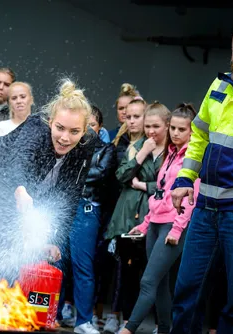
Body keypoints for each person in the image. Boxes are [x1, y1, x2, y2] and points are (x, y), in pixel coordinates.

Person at [170, 14, 233, 334]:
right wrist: (183, 180)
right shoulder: (220, 84)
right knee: (186, 294)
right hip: (205, 209)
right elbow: (200, 138)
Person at [0, 79, 95, 284]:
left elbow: (70, 195)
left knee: (25, 249)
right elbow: (20, 160)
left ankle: (3, 301)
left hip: (28, 193)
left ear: (85, 129)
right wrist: (21, 188)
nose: (65, 138)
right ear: (51, 121)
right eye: (59, 128)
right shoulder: (37, 125)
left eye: (74, 131)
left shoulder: (86, 145)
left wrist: (52, 241)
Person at [119, 103, 199, 334]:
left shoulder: (193, 157)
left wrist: (177, 229)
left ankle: (128, 330)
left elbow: (191, 198)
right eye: (172, 128)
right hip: (155, 224)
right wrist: (144, 224)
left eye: (181, 129)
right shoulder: (171, 154)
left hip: (173, 226)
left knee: (148, 282)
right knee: (161, 285)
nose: (175, 133)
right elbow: (160, 193)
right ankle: (165, 330)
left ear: (192, 132)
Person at [104, 102, 170, 334]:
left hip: (157, 217)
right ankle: (125, 320)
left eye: (155, 126)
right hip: (132, 217)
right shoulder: (138, 145)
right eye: (148, 126)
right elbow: (121, 175)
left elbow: (170, 187)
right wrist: (141, 154)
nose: (151, 131)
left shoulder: (172, 149)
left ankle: (161, 324)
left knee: (156, 274)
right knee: (127, 273)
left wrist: (143, 185)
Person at [70, 106, 117, 334]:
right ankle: (51, 314)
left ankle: (83, 321)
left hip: (87, 209)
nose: (88, 128)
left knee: (83, 266)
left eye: (93, 124)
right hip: (66, 208)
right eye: (84, 123)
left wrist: (74, 175)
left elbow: (100, 174)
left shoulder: (106, 149)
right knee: (55, 262)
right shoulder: (69, 144)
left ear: (100, 128)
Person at [0, 81, 34, 153]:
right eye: (14, 98)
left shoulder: (41, 127)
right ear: (9, 103)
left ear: (31, 99)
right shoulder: (1, 128)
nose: (18, 101)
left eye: (23, 97)